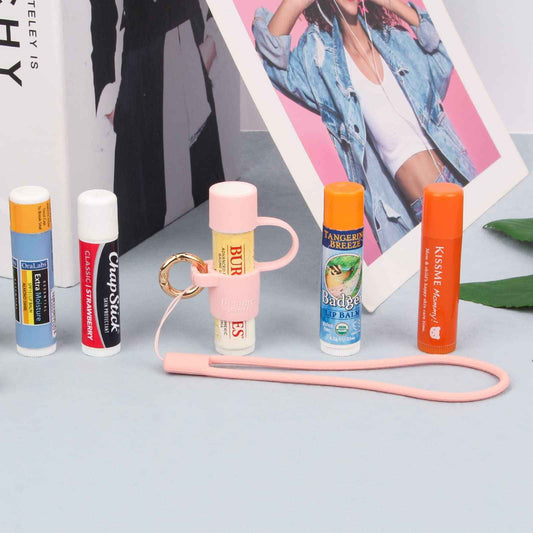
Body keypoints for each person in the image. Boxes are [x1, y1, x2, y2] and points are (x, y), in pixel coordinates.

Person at [253, 0, 476, 252]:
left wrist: (392, 4)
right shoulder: (320, 62)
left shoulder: (394, 40)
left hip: (457, 181)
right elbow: (273, 60)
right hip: (411, 209)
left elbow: (443, 53)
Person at [90, 0, 225, 253]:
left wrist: (212, 42)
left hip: (189, 49)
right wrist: (107, 95)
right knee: (136, 228)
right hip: (140, 61)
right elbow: (102, 14)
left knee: (212, 208)